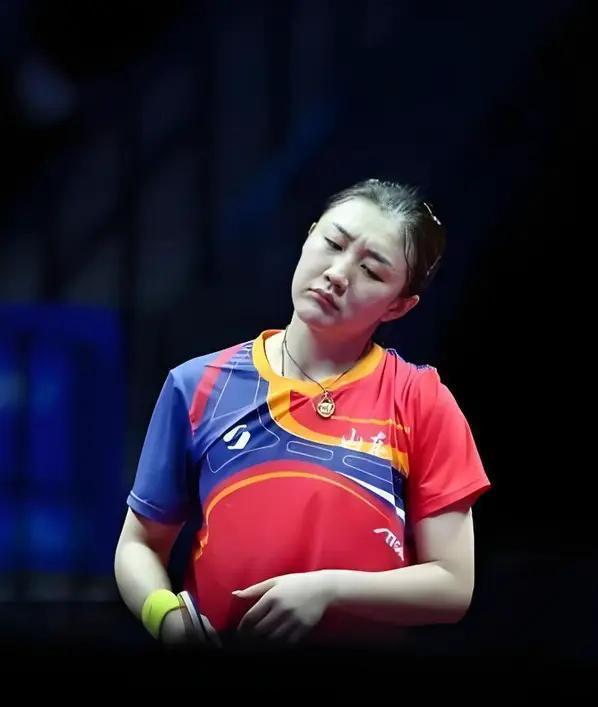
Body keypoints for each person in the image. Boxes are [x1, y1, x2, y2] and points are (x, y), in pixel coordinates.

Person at [113, 178, 490, 648]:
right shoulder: (198, 384)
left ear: (398, 306)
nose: (338, 273)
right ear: (310, 235)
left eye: (371, 271)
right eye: (333, 243)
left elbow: (453, 584)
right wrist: (166, 618)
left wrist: (328, 591)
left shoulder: (419, 400)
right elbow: (138, 544)